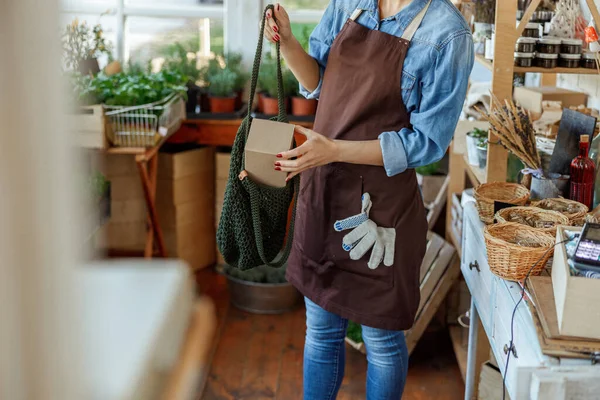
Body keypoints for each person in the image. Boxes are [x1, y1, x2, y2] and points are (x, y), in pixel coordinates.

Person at [264, 1, 474, 398]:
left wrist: (336, 150)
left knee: (382, 341)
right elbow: (319, 82)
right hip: (325, 191)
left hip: (380, 214)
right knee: (321, 333)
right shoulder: (350, 3)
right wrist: (288, 42)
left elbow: (428, 143)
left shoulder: (448, 34)